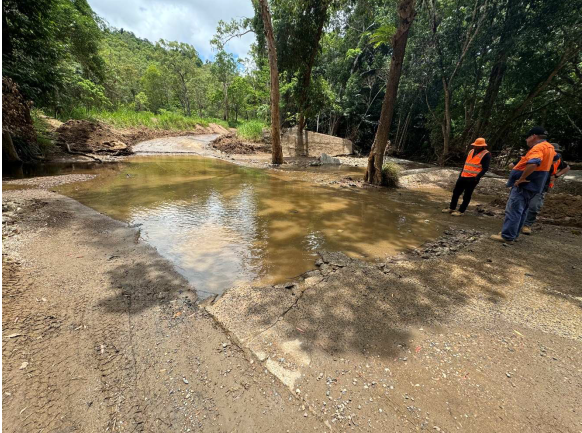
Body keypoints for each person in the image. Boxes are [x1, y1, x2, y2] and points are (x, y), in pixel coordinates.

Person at [490, 126, 556, 242]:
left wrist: (522, 178)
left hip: (525, 184)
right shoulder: (549, 148)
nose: (526, 140)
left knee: (514, 209)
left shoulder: (538, 148)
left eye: (527, 137)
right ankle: (513, 234)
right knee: (523, 210)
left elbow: (533, 163)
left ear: (533, 136)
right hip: (535, 184)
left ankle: (507, 236)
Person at [521, 143, 570, 234]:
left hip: (542, 186)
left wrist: (556, 175)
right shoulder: (538, 157)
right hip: (528, 183)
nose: (555, 154)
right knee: (521, 204)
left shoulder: (558, 160)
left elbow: (567, 167)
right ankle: (517, 223)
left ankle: (527, 225)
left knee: (534, 206)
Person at [442, 137, 491, 216]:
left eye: (477, 146)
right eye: (475, 145)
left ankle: (461, 211)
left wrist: (477, 177)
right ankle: (452, 208)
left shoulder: (486, 154)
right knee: (456, 193)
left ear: (482, 146)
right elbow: (466, 164)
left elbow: (485, 168)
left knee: (467, 195)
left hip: (472, 178)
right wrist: (461, 173)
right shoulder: (471, 151)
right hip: (463, 176)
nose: (475, 147)